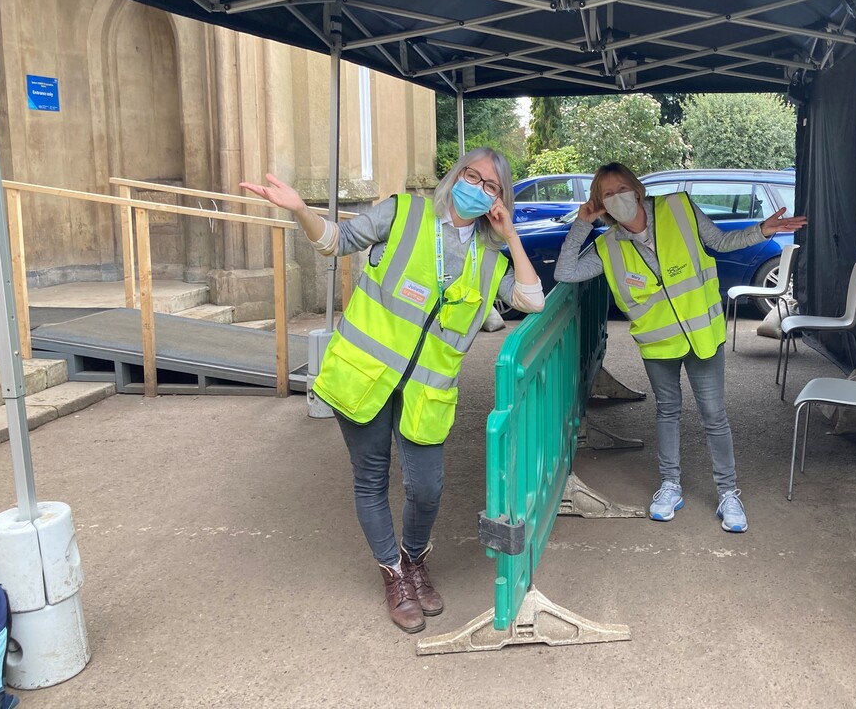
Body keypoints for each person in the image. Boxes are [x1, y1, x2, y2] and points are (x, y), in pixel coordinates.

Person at [241, 148, 544, 633]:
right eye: (472, 176)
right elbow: (336, 241)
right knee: (371, 480)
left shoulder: (490, 257)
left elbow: (532, 299)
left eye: (491, 186)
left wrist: (510, 234)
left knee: (428, 488)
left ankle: (415, 557)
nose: (478, 188)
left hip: (426, 392)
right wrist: (300, 209)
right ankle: (395, 574)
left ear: (498, 199)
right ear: (455, 176)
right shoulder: (404, 212)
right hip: (364, 376)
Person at [554, 162, 806, 532]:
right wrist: (582, 224)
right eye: (607, 194)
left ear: (637, 189)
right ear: (600, 204)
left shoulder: (678, 207)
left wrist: (762, 230)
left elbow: (720, 241)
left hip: (702, 335)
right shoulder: (606, 246)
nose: (617, 197)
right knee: (667, 411)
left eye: (621, 188)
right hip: (659, 344)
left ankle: (728, 493)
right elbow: (564, 272)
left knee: (714, 415)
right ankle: (669, 485)